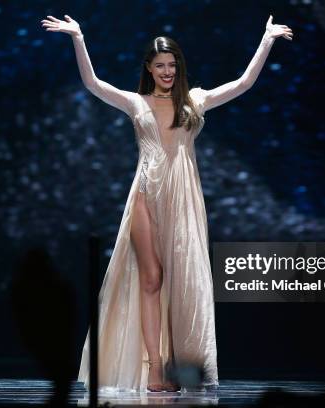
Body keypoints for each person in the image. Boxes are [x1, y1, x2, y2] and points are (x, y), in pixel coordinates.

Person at [41, 13, 293, 393]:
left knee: (184, 282)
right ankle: (155, 370)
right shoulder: (135, 102)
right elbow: (92, 83)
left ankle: (182, 366)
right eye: (160, 65)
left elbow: (243, 83)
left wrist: (267, 40)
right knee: (151, 279)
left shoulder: (195, 100)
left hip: (184, 198)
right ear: (149, 68)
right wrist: (78, 37)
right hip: (145, 193)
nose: (167, 71)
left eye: (172, 65)